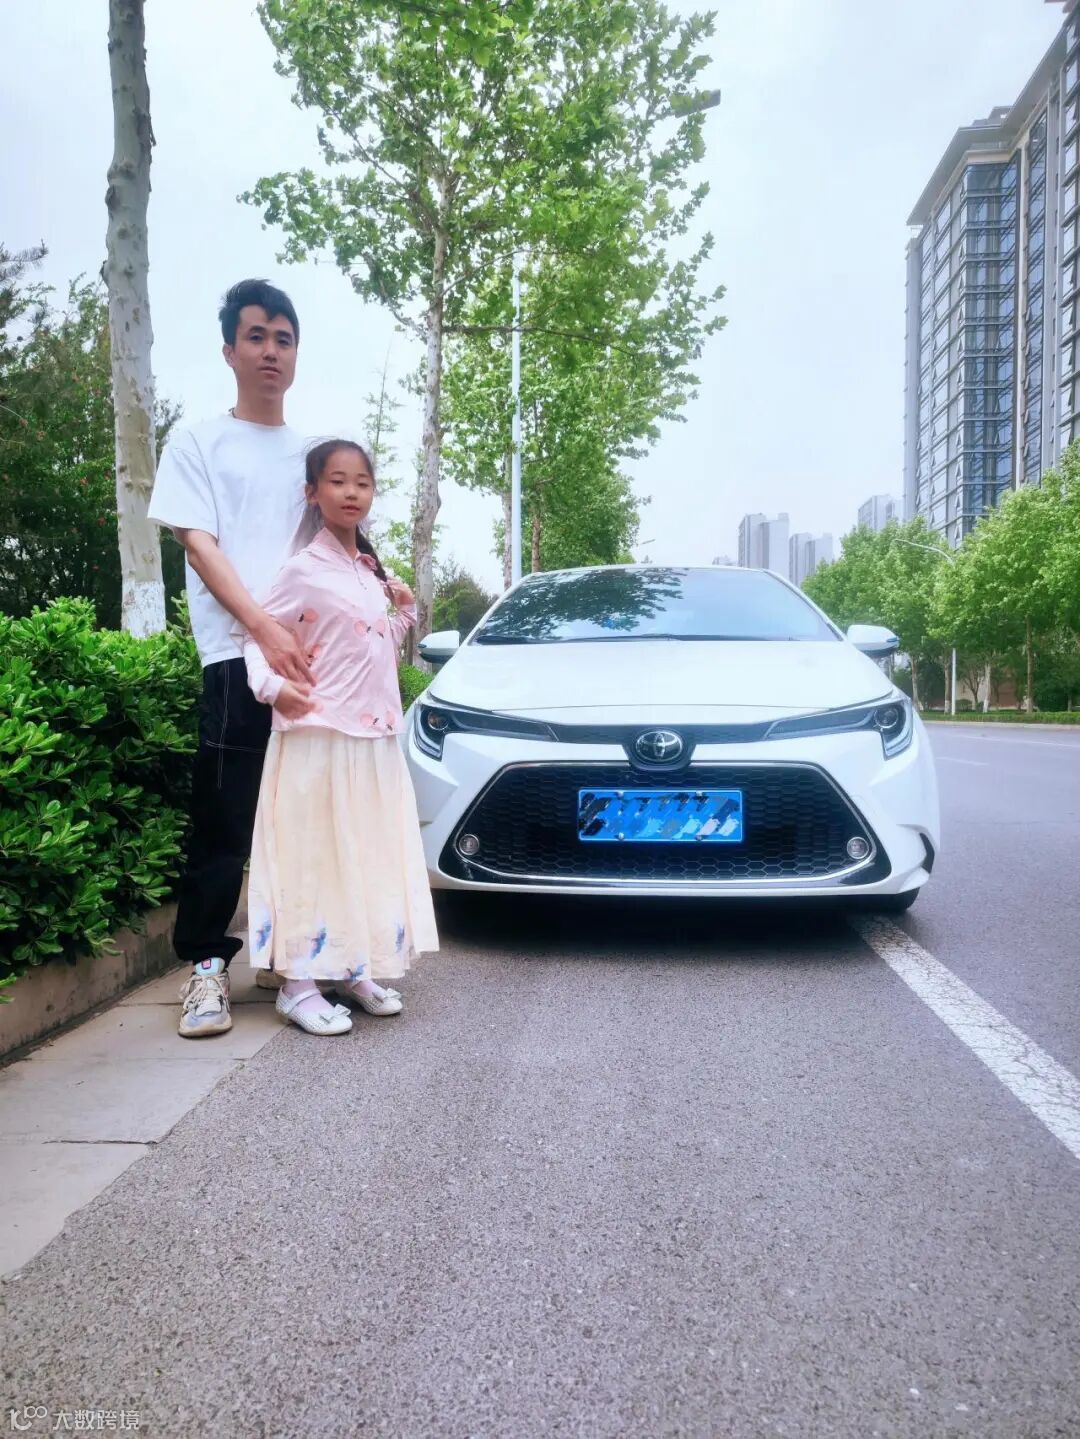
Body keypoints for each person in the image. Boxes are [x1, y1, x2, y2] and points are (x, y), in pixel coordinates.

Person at [148, 279, 315, 1038]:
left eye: (283, 338)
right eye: (256, 336)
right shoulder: (198, 442)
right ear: (229, 351)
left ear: (295, 352)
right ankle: (208, 967)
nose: (270, 351)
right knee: (224, 815)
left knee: (306, 813)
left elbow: (337, 545)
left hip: (307, 662)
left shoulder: (311, 454)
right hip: (233, 655)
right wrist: (261, 627)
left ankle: (300, 960)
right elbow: (199, 543)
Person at [242, 439, 439, 1034]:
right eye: (337, 481)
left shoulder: (369, 570)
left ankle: (353, 966)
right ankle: (297, 984)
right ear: (312, 492)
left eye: (362, 482)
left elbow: (369, 642)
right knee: (312, 857)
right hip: (317, 734)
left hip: (373, 738)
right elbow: (255, 637)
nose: (351, 492)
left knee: (364, 855)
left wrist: (404, 612)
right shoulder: (302, 569)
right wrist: (273, 689)